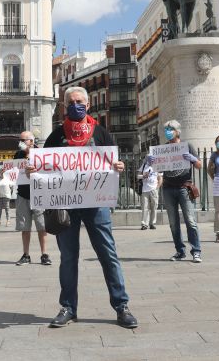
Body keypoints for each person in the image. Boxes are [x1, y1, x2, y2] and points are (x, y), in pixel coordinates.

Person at [42, 86, 137, 329]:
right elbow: (44, 168)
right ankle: (68, 308)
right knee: (68, 257)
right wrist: (35, 170)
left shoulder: (101, 133)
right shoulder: (55, 136)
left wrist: (118, 167)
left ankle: (121, 306)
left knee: (108, 254)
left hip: (96, 204)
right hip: (65, 206)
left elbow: (113, 161)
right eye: (71, 102)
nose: (76, 105)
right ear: (64, 107)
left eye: (80, 101)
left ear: (88, 104)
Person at [154, 120, 202, 262]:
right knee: (173, 223)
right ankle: (180, 251)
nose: (168, 132)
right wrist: (153, 161)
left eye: (170, 129)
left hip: (184, 188)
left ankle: (196, 250)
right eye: (166, 129)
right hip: (168, 188)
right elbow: (159, 168)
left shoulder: (187, 146)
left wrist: (193, 159)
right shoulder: (164, 148)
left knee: (190, 220)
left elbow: (199, 165)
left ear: (177, 131)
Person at [14, 130, 51, 266]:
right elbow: (14, 172)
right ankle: (26, 255)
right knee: (25, 227)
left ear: (31, 141)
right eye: (20, 140)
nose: (20, 143)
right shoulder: (17, 155)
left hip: (39, 195)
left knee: (42, 226)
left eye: (23, 140)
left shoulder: (41, 154)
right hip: (23, 195)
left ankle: (44, 254)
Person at [138, 156, 161, 230]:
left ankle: (152, 223)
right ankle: (144, 224)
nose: (152, 161)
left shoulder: (157, 166)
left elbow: (160, 178)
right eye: (150, 159)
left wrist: (157, 187)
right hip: (145, 190)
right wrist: (143, 176)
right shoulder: (144, 165)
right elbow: (138, 176)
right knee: (145, 207)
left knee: (154, 207)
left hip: (153, 189)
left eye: (153, 159)